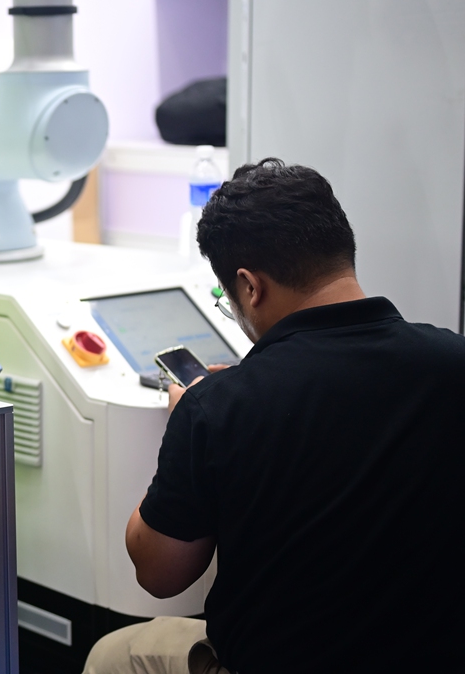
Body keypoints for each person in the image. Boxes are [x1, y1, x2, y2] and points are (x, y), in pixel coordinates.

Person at [84, 159, 464, 673]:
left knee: (113, 654)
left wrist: (185, 426)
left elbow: (159, 573)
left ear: (249, 287)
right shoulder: (451, 361)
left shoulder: (220, 406)